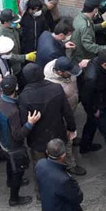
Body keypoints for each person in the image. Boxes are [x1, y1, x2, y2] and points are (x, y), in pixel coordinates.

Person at [19, 63, 78, 193]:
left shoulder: (24, 96)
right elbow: (67, 112)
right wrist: (71, 128)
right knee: (59, 164)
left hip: (37, 139)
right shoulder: (56, 88)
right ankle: (61, 188)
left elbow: (24, 121)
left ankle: (41, 193)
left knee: (40, 167)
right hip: (57, 134)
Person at [0, 76, 35, 206]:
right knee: (17, 171)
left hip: (3, 141)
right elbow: (18, 135)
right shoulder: (13, 111)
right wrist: (30, 123)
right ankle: (14, 198)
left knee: (9, 164)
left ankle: (9, 181)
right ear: (16, 87)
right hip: (14, 146)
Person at [79, 49, 106, 167]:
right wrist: (95, 111)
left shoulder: (99, 62)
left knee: (91, 124)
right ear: (105, 64)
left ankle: (85, 146)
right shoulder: (91, 78)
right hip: (97, 107)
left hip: (100, 103)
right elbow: (86, 98)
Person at [72, 0, 106, 65]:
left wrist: (101, 26)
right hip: (85, 60)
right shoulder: (85, 25)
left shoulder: (81, 17)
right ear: (95, 10)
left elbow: (87, 30)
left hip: (79, 56)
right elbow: (90, 46)